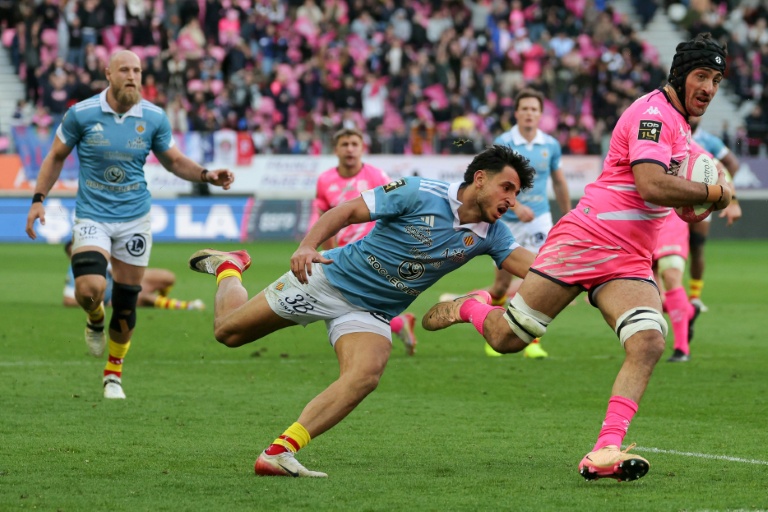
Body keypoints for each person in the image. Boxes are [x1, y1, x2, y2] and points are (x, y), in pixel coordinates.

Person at [421, 33, 732, 482]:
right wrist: (714, 193)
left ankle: (605, 449)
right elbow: (650, 184)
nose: (708, 88)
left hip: (629, 256)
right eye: (701, 76)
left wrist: (692, 201)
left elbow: (667, 194)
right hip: (585, 240)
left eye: (717, 80)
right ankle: (470, 305)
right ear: (680, 75)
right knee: (508, 339)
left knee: (648, 341)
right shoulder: (652, 115)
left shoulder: (681, 124)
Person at [188, 145, 537, 477]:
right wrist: (307, 246)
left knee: (365, 374)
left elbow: (537, 269)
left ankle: (278, 453)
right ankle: (229, 268)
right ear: (479, 179)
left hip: (374, 311)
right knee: (228, 333)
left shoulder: (493, 234)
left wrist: (580, 275)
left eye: (516, 193)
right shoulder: (419, 191)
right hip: (326, 280)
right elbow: (346, 211)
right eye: (506, 187)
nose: (511, 199)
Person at [25, 50, 234, 400]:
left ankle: (113, 374)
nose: (132, 76)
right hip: (92, 215)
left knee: (126, 302)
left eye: (137, 70)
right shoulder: (82, 113)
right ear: (108, 73)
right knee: (89, 288)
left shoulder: (153, 117)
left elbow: (173, 160)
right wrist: (37, 200)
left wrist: (206, 175)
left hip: (135, 218)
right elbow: (56, 156)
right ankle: (94, 317)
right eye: (125, 69)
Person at [444, 88, 571, 359]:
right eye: (524, 108)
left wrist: (569, 214)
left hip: (539, 221)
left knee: (538, 279)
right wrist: (516, 204)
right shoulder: (504, 141)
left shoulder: (550, 145)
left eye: (534, 109)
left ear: (540, 115)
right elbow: (494, 184)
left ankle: (532, 342)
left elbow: (559, 181)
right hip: (506, 222)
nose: (529, 113)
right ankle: (495, 332)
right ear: (516, 113)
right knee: (501, 286)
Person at [310, 127, 418, 355]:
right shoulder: (324, 180)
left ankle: (364, 346)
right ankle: (399, 324)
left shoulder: (377, 176)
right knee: (353, 303)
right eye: (345, 144)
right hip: (343, 252)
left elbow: (393, 211)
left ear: (362, 148)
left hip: (374, 250)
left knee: (347, 302)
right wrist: (330, 254)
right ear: (336, 149)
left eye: (354, 144)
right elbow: (325, 218)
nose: (350, 149)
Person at [687, 116, 743, 312]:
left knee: (697, 246)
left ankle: (694, 297)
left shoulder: (709, 141)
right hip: (674, 201)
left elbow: (732, 164)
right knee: (662, 252)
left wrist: (723, 191)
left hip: (701, 202)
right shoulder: (674, 133)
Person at [63, 239, 205, 311]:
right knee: (147, 298)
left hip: (131, 280)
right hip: (115, 297)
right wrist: (102, 303)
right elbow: (68, 301)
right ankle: (187, 306)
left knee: (168, 277)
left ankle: (162, 299)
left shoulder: (101, 254)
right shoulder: (75, 269)